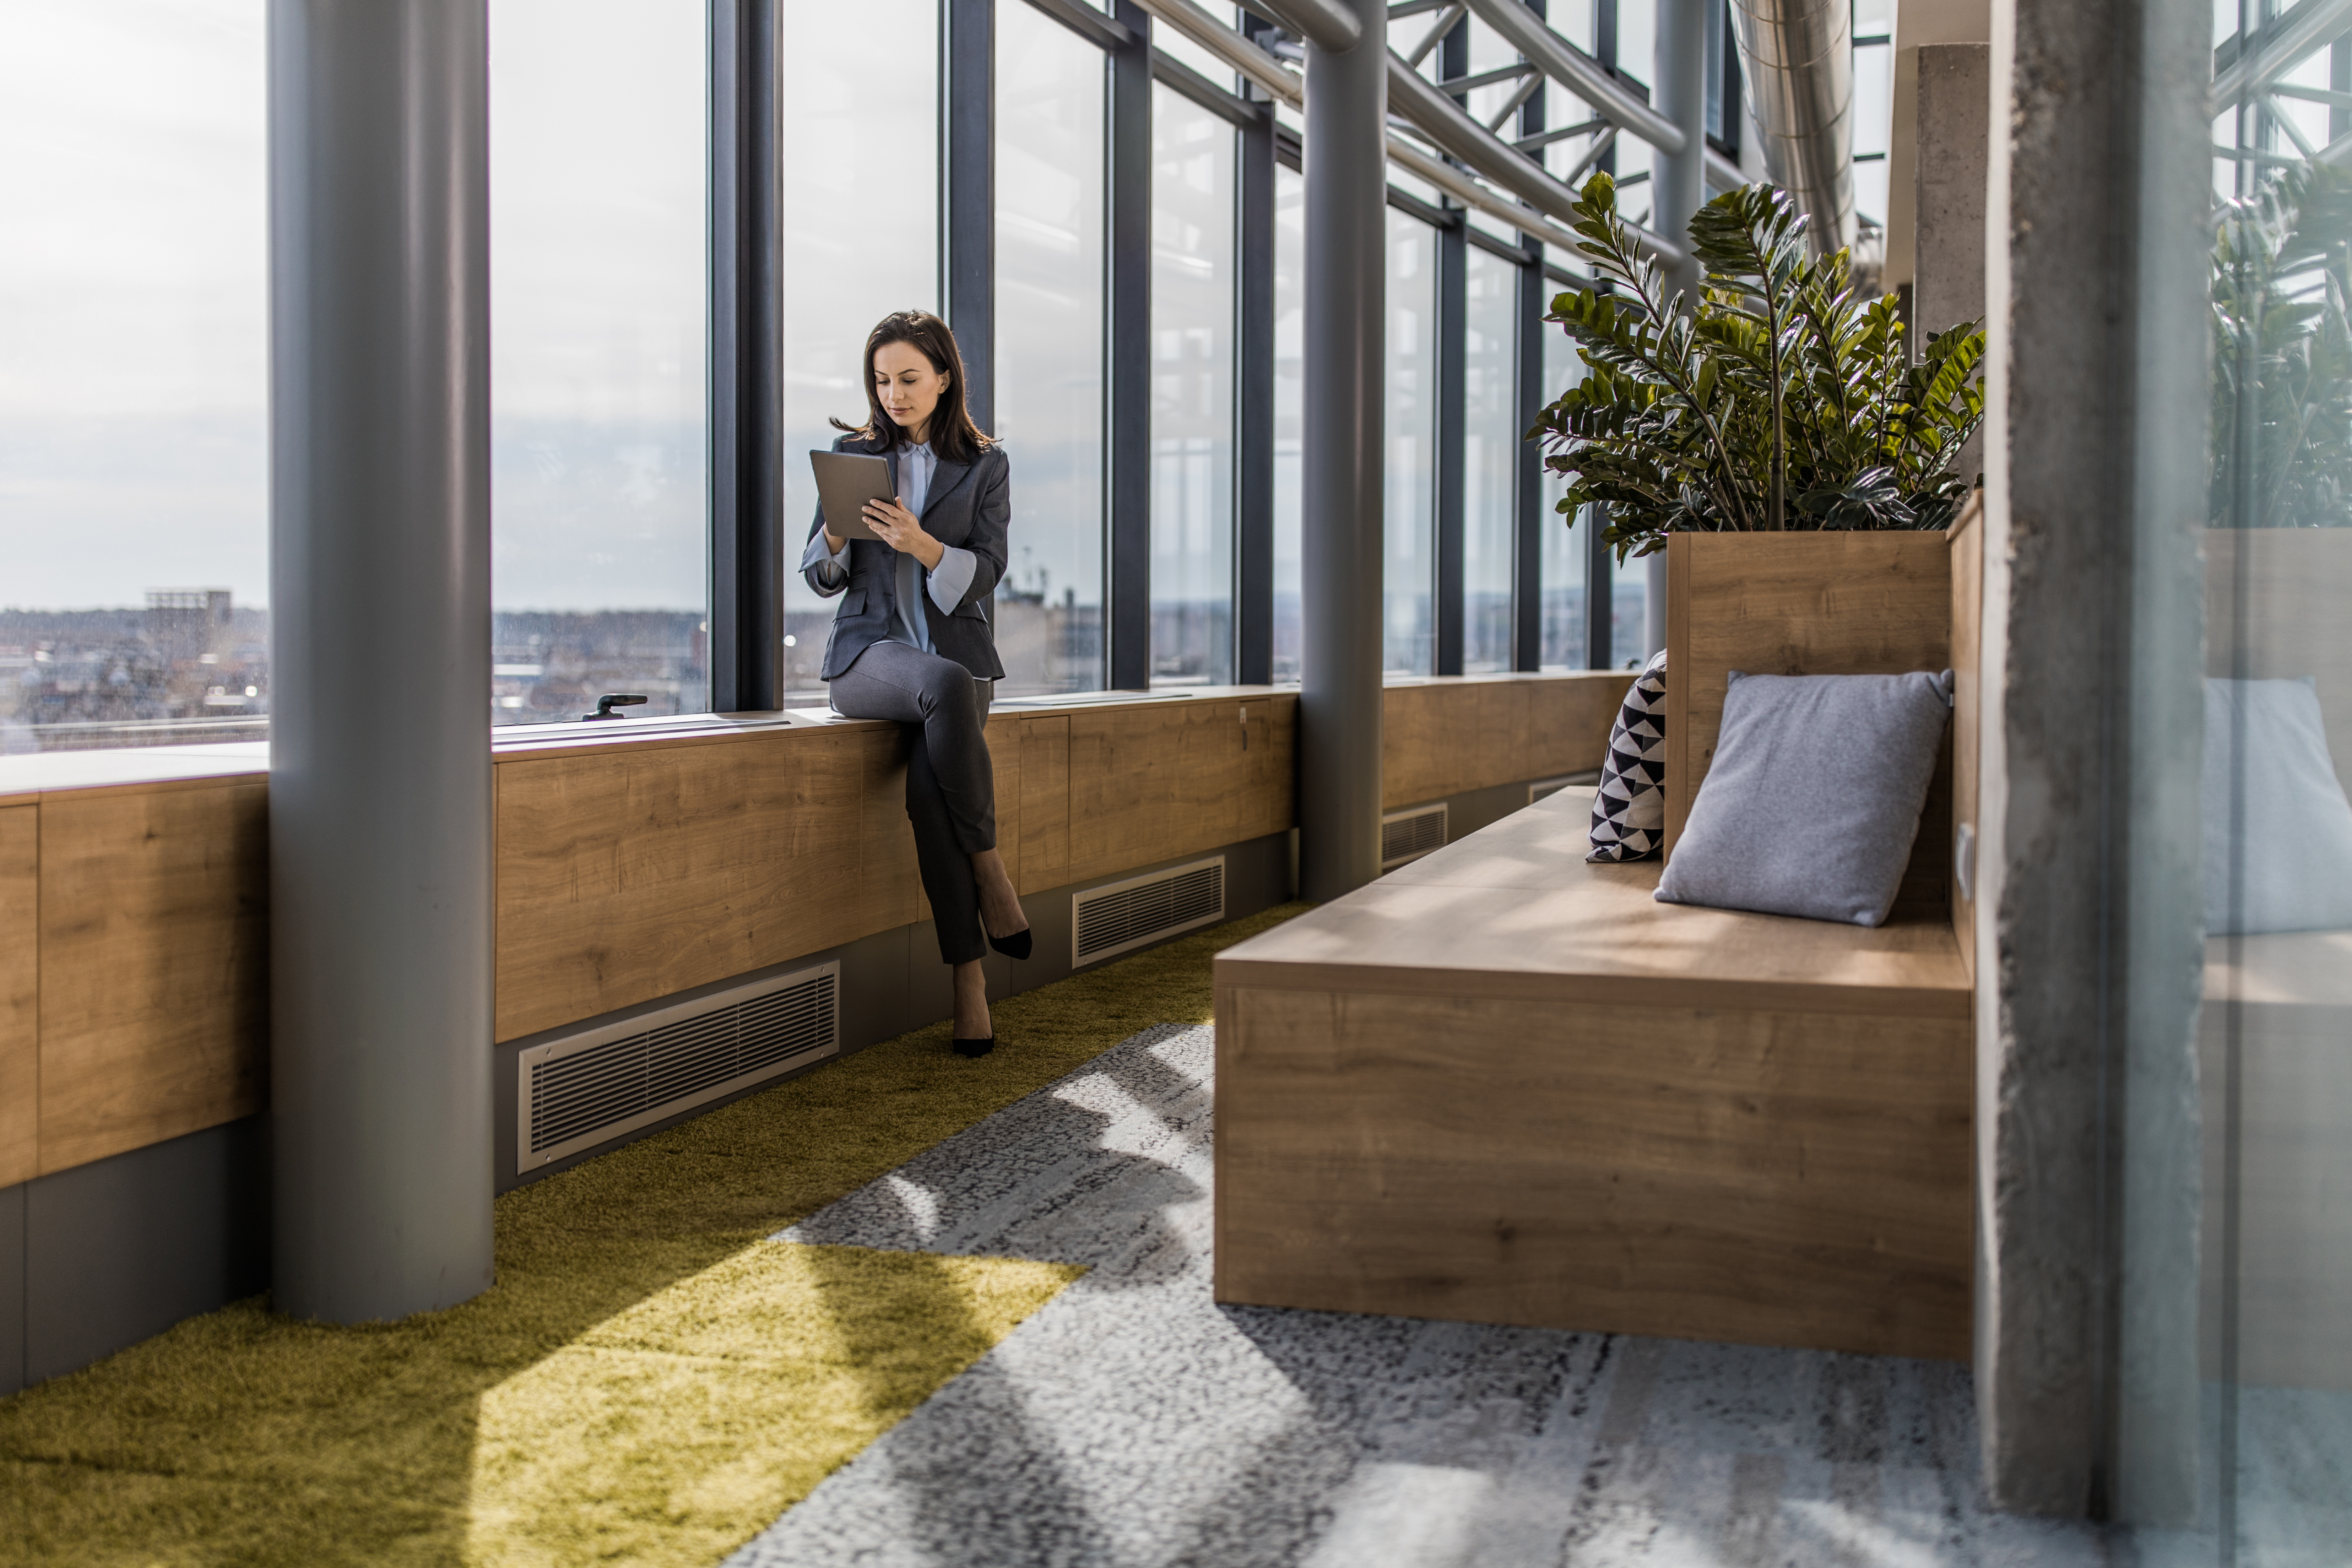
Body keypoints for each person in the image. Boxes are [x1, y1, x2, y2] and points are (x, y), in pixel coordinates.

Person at [802, 310, 1030, 1057]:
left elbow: (988, 571)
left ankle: (969, 988)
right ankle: (991, 871)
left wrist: (925, 546)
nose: (892, 394)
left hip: (953, 663)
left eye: (907, 378)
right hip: (870, 658)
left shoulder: (985, 466)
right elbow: (820, 578)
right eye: (880, 380)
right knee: (945, 683)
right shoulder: (852, 457)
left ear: (942, 378)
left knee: (932, 799)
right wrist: (837, 533)